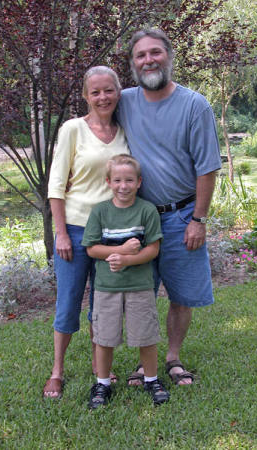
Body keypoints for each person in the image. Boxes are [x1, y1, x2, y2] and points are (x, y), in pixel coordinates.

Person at [116, 28, 221, 386]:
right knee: (141, 294)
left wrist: (198, 220)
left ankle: (173, 357)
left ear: (169, 56)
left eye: (155, 52)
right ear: (133, 63)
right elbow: (94, 117)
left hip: (181, 217)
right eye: (141, 55)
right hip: (139, 220)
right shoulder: (124, 101)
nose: (149, 60)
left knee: (181, 294)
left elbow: (207, 168)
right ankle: (145, 363)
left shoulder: (195, 105)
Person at [43, 66, 131, 398]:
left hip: (114, 233)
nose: (103, 97)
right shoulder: (72, 130)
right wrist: (61, 233)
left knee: (103, 304)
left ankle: (99, 369)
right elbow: (55, 185)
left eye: (109, 90)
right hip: (77, 232)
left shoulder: (125, 131)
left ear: (118, 92)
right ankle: (57, 372)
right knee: (67, 303)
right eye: (95, 92)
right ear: (86, 96)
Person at [82, 154, 170, 409]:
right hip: (107, 287)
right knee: (104, 337)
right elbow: (91, 248)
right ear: (109, 182)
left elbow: (152, 249)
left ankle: (151, 379)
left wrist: (128, 261)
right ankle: (102, 383)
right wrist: (121, 250)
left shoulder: (146, 210)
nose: (124, 186)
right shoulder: (100, 211)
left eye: (129, 180)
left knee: (146, 335)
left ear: (139, 182)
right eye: (118, 180)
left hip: (140, 285)